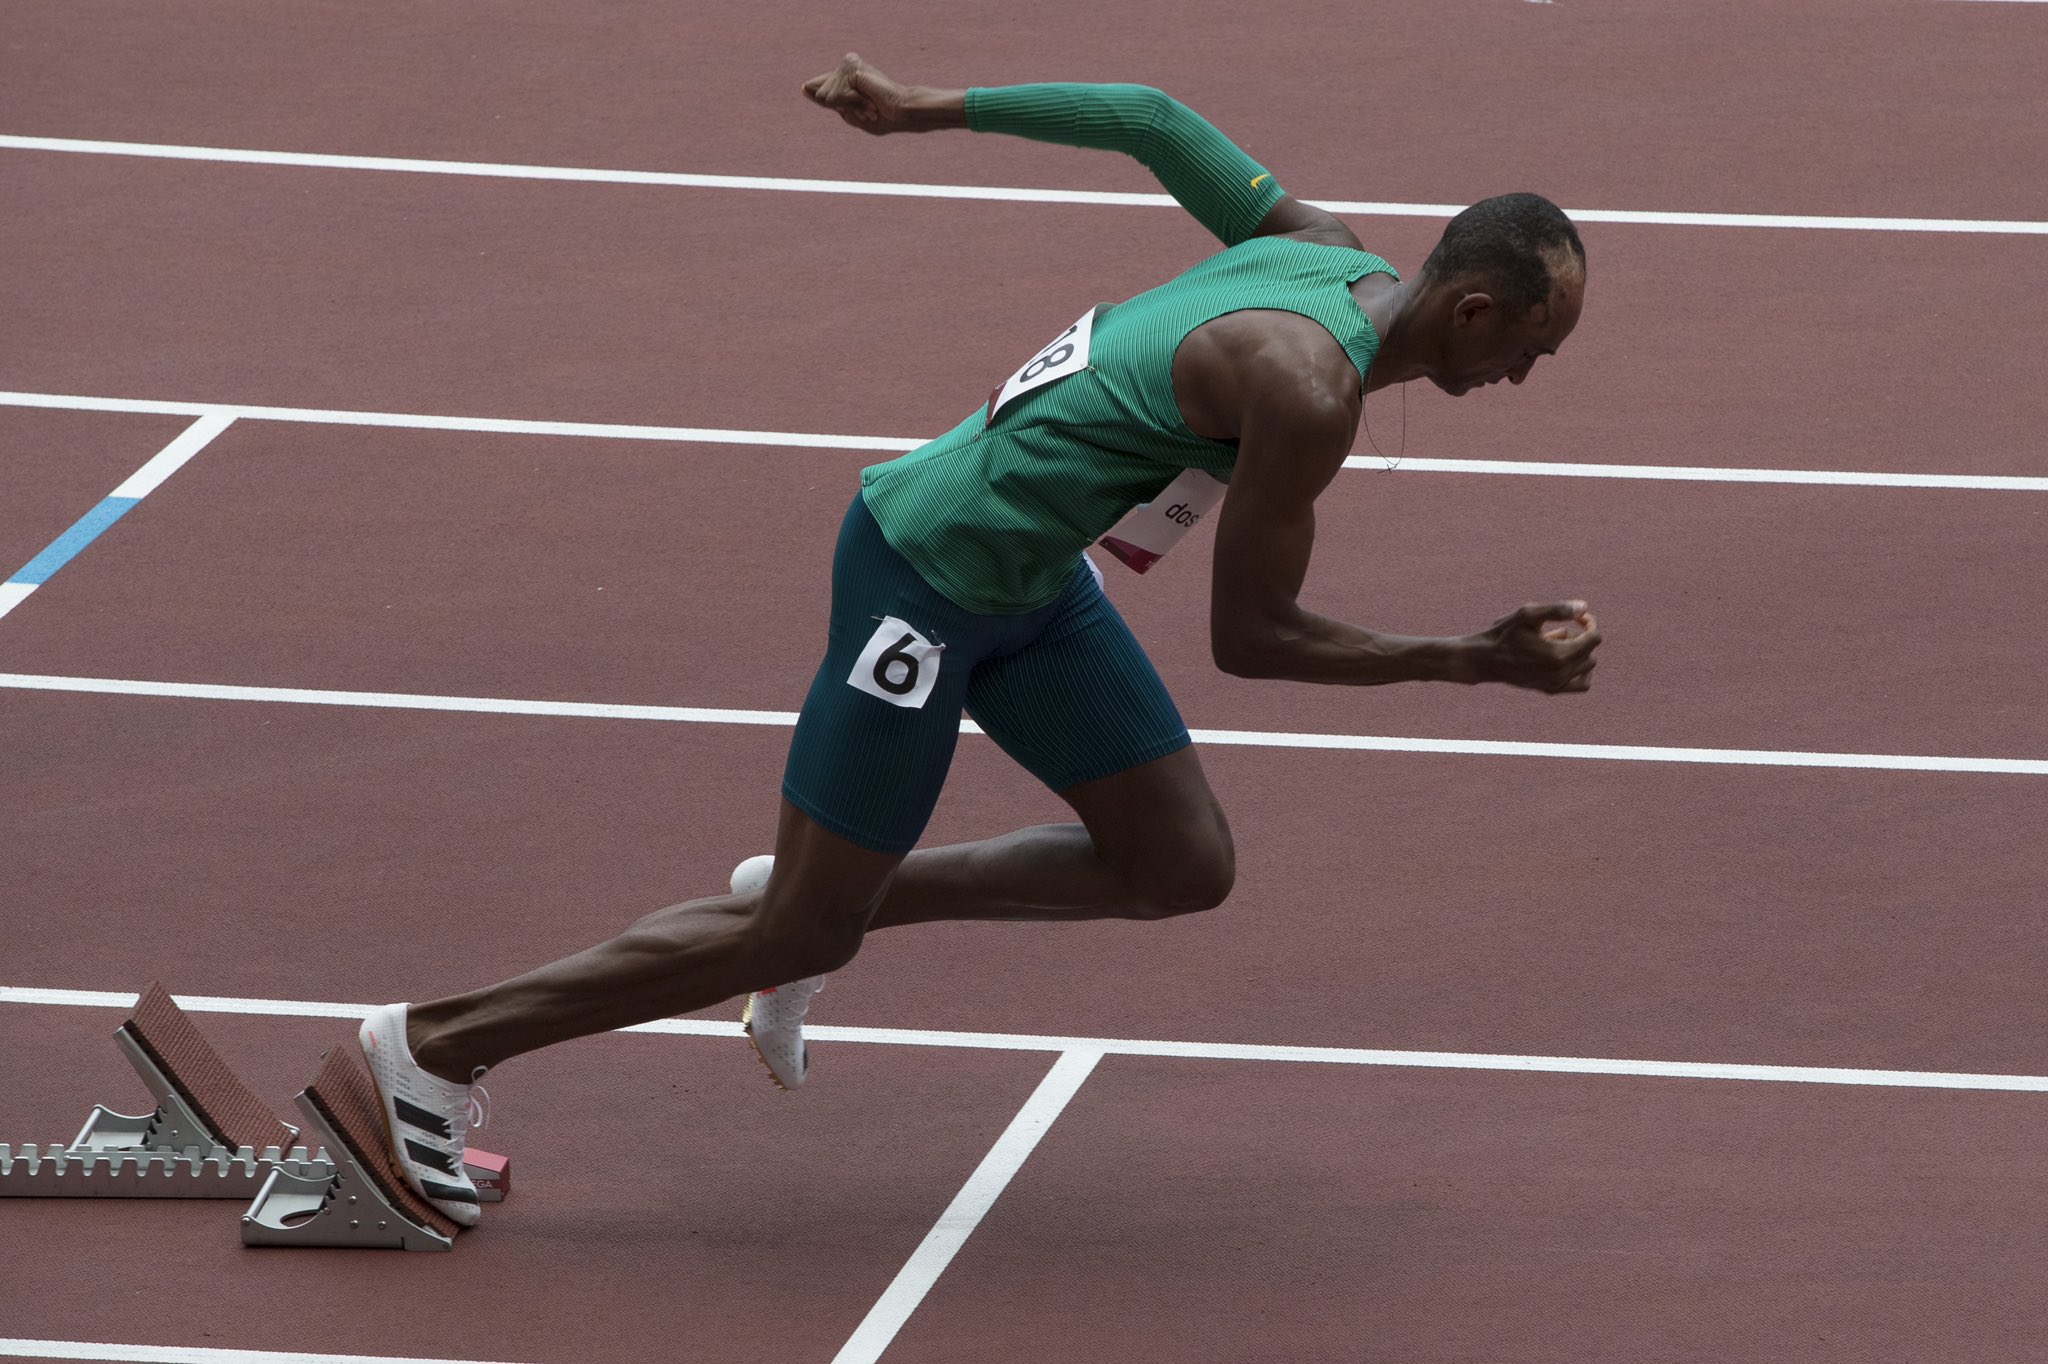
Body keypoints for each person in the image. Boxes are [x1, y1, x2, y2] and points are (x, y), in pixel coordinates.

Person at [356, 55, 1602, 1224]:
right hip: (920, 578)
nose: (1524, 378)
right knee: (799, 932)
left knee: (1176, 860)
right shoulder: (1308, 386)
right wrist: (1469, 656)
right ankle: (428, 1045)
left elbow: (1148, 117)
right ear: (1474, 310)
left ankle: (820, 897)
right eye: (1531, 353)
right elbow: (1251, 636)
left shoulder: (1318, 249)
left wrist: (922, 108)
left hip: (1032, 582)